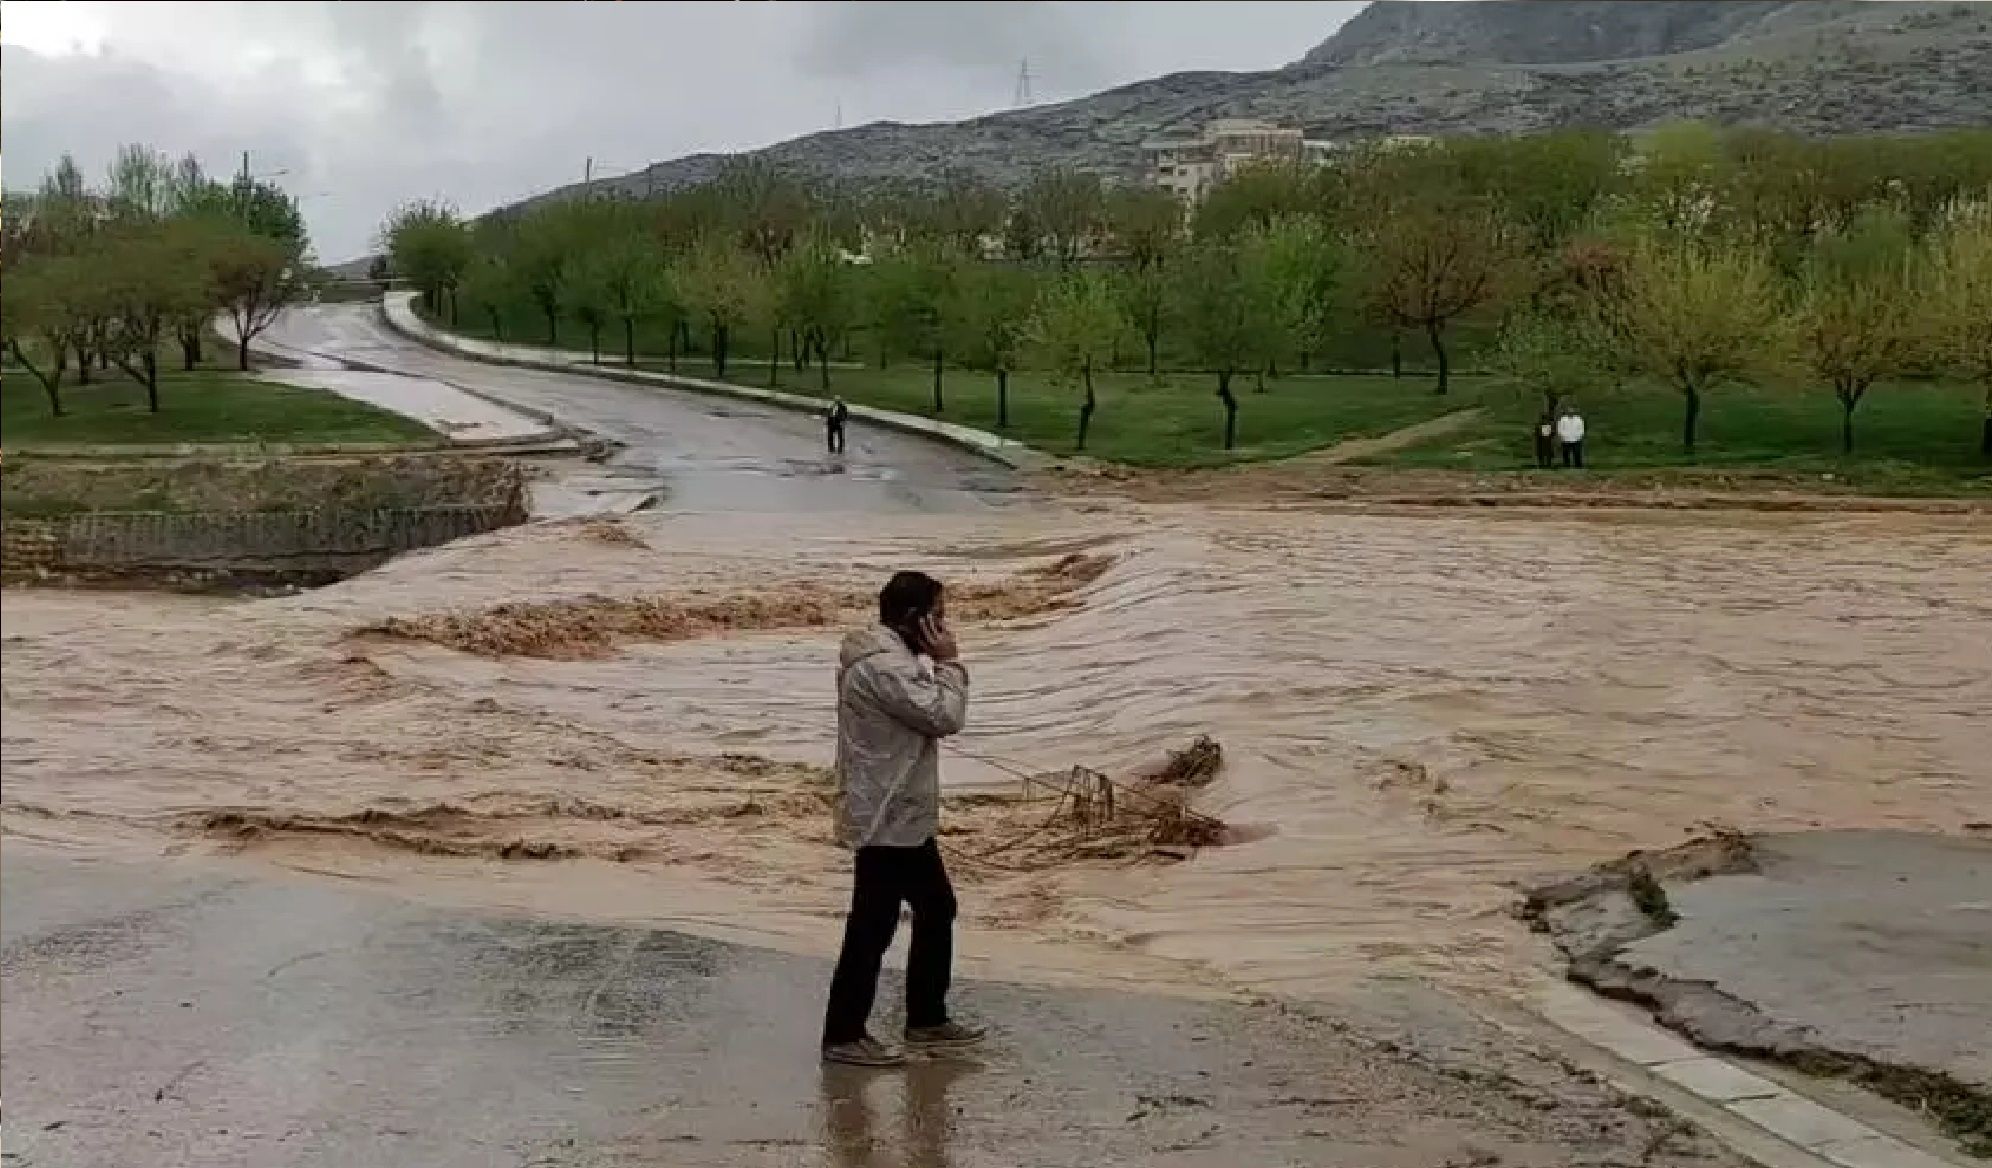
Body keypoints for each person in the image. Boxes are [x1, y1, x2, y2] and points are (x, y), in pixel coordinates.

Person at [821, 571, 985, 1067]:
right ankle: (845, 1034)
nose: (944, 625)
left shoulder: (883, 659)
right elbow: (944, 717)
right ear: (916, 620)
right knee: (874, 925)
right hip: (886, 815)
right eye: (938, 617)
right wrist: (950, 663)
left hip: (898, 811)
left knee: (936, 908)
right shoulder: (887, 668)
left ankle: (926, 1019)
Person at [1557, 405, 1587, 469]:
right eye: (1569, 411)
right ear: (1567, 412)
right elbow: (1560, 429)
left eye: (1572, 411)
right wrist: (1563, 436)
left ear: (1574, 412)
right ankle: (1566, 465)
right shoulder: (1563, 419)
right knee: (1566, 453)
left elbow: (1581, 429)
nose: (1570, 413)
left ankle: (1578, 465)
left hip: (1576, 439)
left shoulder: (1579, 419)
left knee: (1577, 452)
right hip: (1566, 439)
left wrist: (1579, 436)